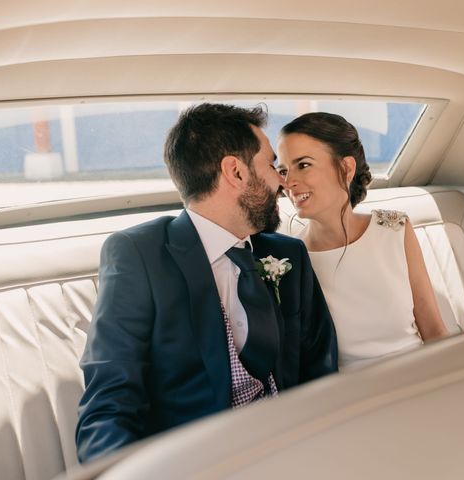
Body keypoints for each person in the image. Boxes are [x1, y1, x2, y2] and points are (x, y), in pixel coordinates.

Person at [76, 104, 338, 463]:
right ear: (235, 171)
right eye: (271, 165)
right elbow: (109, 403)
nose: (282, 182)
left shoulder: (288, 254)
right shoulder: (139, 254)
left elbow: (320, 371)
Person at [276, 112, 447, 370]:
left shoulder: (395, 229)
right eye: (283, 170)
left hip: (421, 379)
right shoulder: (289, 260)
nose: (289, 183)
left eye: (303, 165)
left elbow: (434, 331)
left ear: (346, 168)